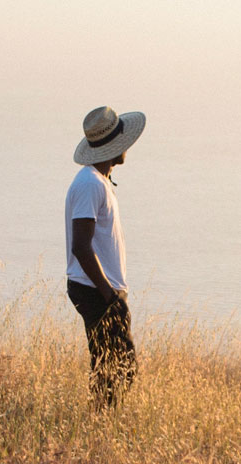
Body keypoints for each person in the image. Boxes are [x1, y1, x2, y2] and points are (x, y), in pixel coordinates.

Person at [65, 106, 145, 409]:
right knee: (120, 365)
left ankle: (99, 425)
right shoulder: (89, 184)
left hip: (97, 288)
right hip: (96, 289)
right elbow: (81, 247)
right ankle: (100, 424)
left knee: (109, 363)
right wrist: (111, 296)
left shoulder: (98, 181)